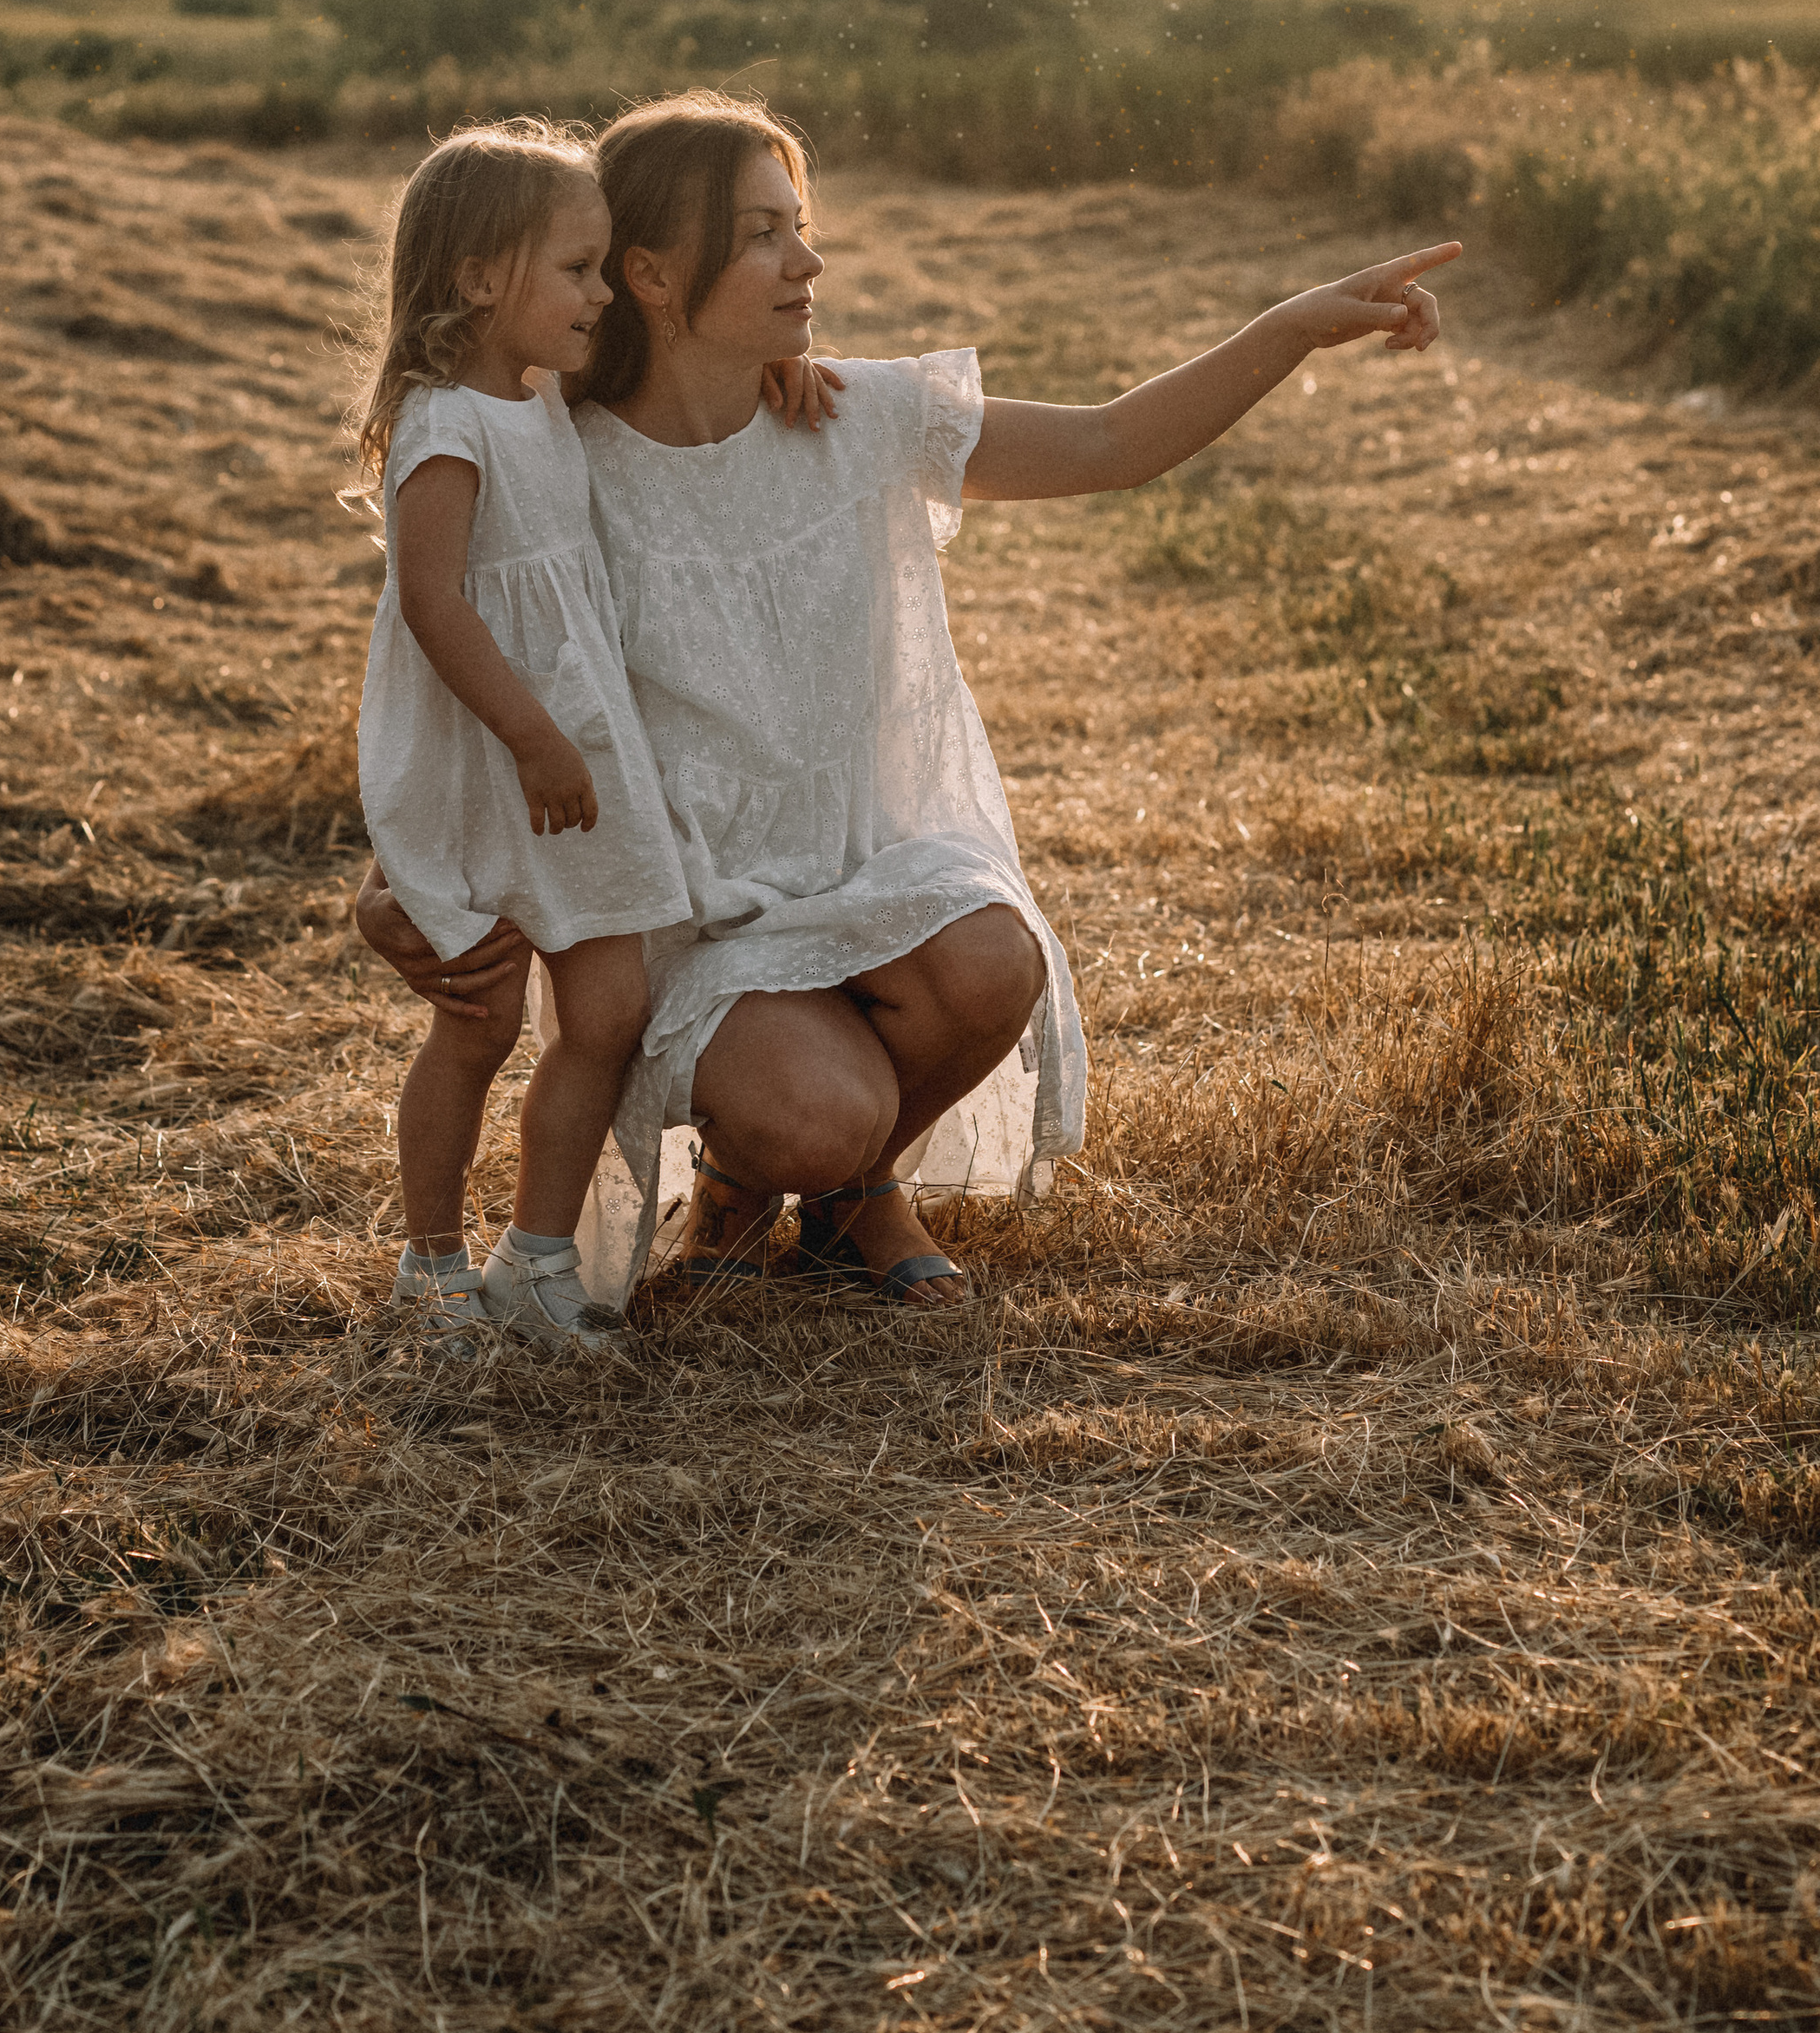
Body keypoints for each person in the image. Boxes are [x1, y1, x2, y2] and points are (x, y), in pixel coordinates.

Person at [357, 90, 1459, 1316]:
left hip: (864, 864)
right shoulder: (560, 458)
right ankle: (753, 1177)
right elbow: (457, 635)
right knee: (814, 1116)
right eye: (764, 234)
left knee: (994, 960)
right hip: (704, 920)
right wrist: (398, 873)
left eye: (801, 225)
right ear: (652, 275)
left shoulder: (855, 415)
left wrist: (1296, 325)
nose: (808, 260)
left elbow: (1110, 444)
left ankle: (857, 1197)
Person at [352, 121, 694, 1356]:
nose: (602, 294)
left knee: (607, 1007)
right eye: (578, 269)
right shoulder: (446, 423)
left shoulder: (544, 397)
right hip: (496, 757)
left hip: (574, 755)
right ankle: (431, 1261)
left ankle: (539, 1258)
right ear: (480, 277)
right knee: (481, 1016)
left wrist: (791, 379)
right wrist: (534, 735)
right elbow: (434, 603)